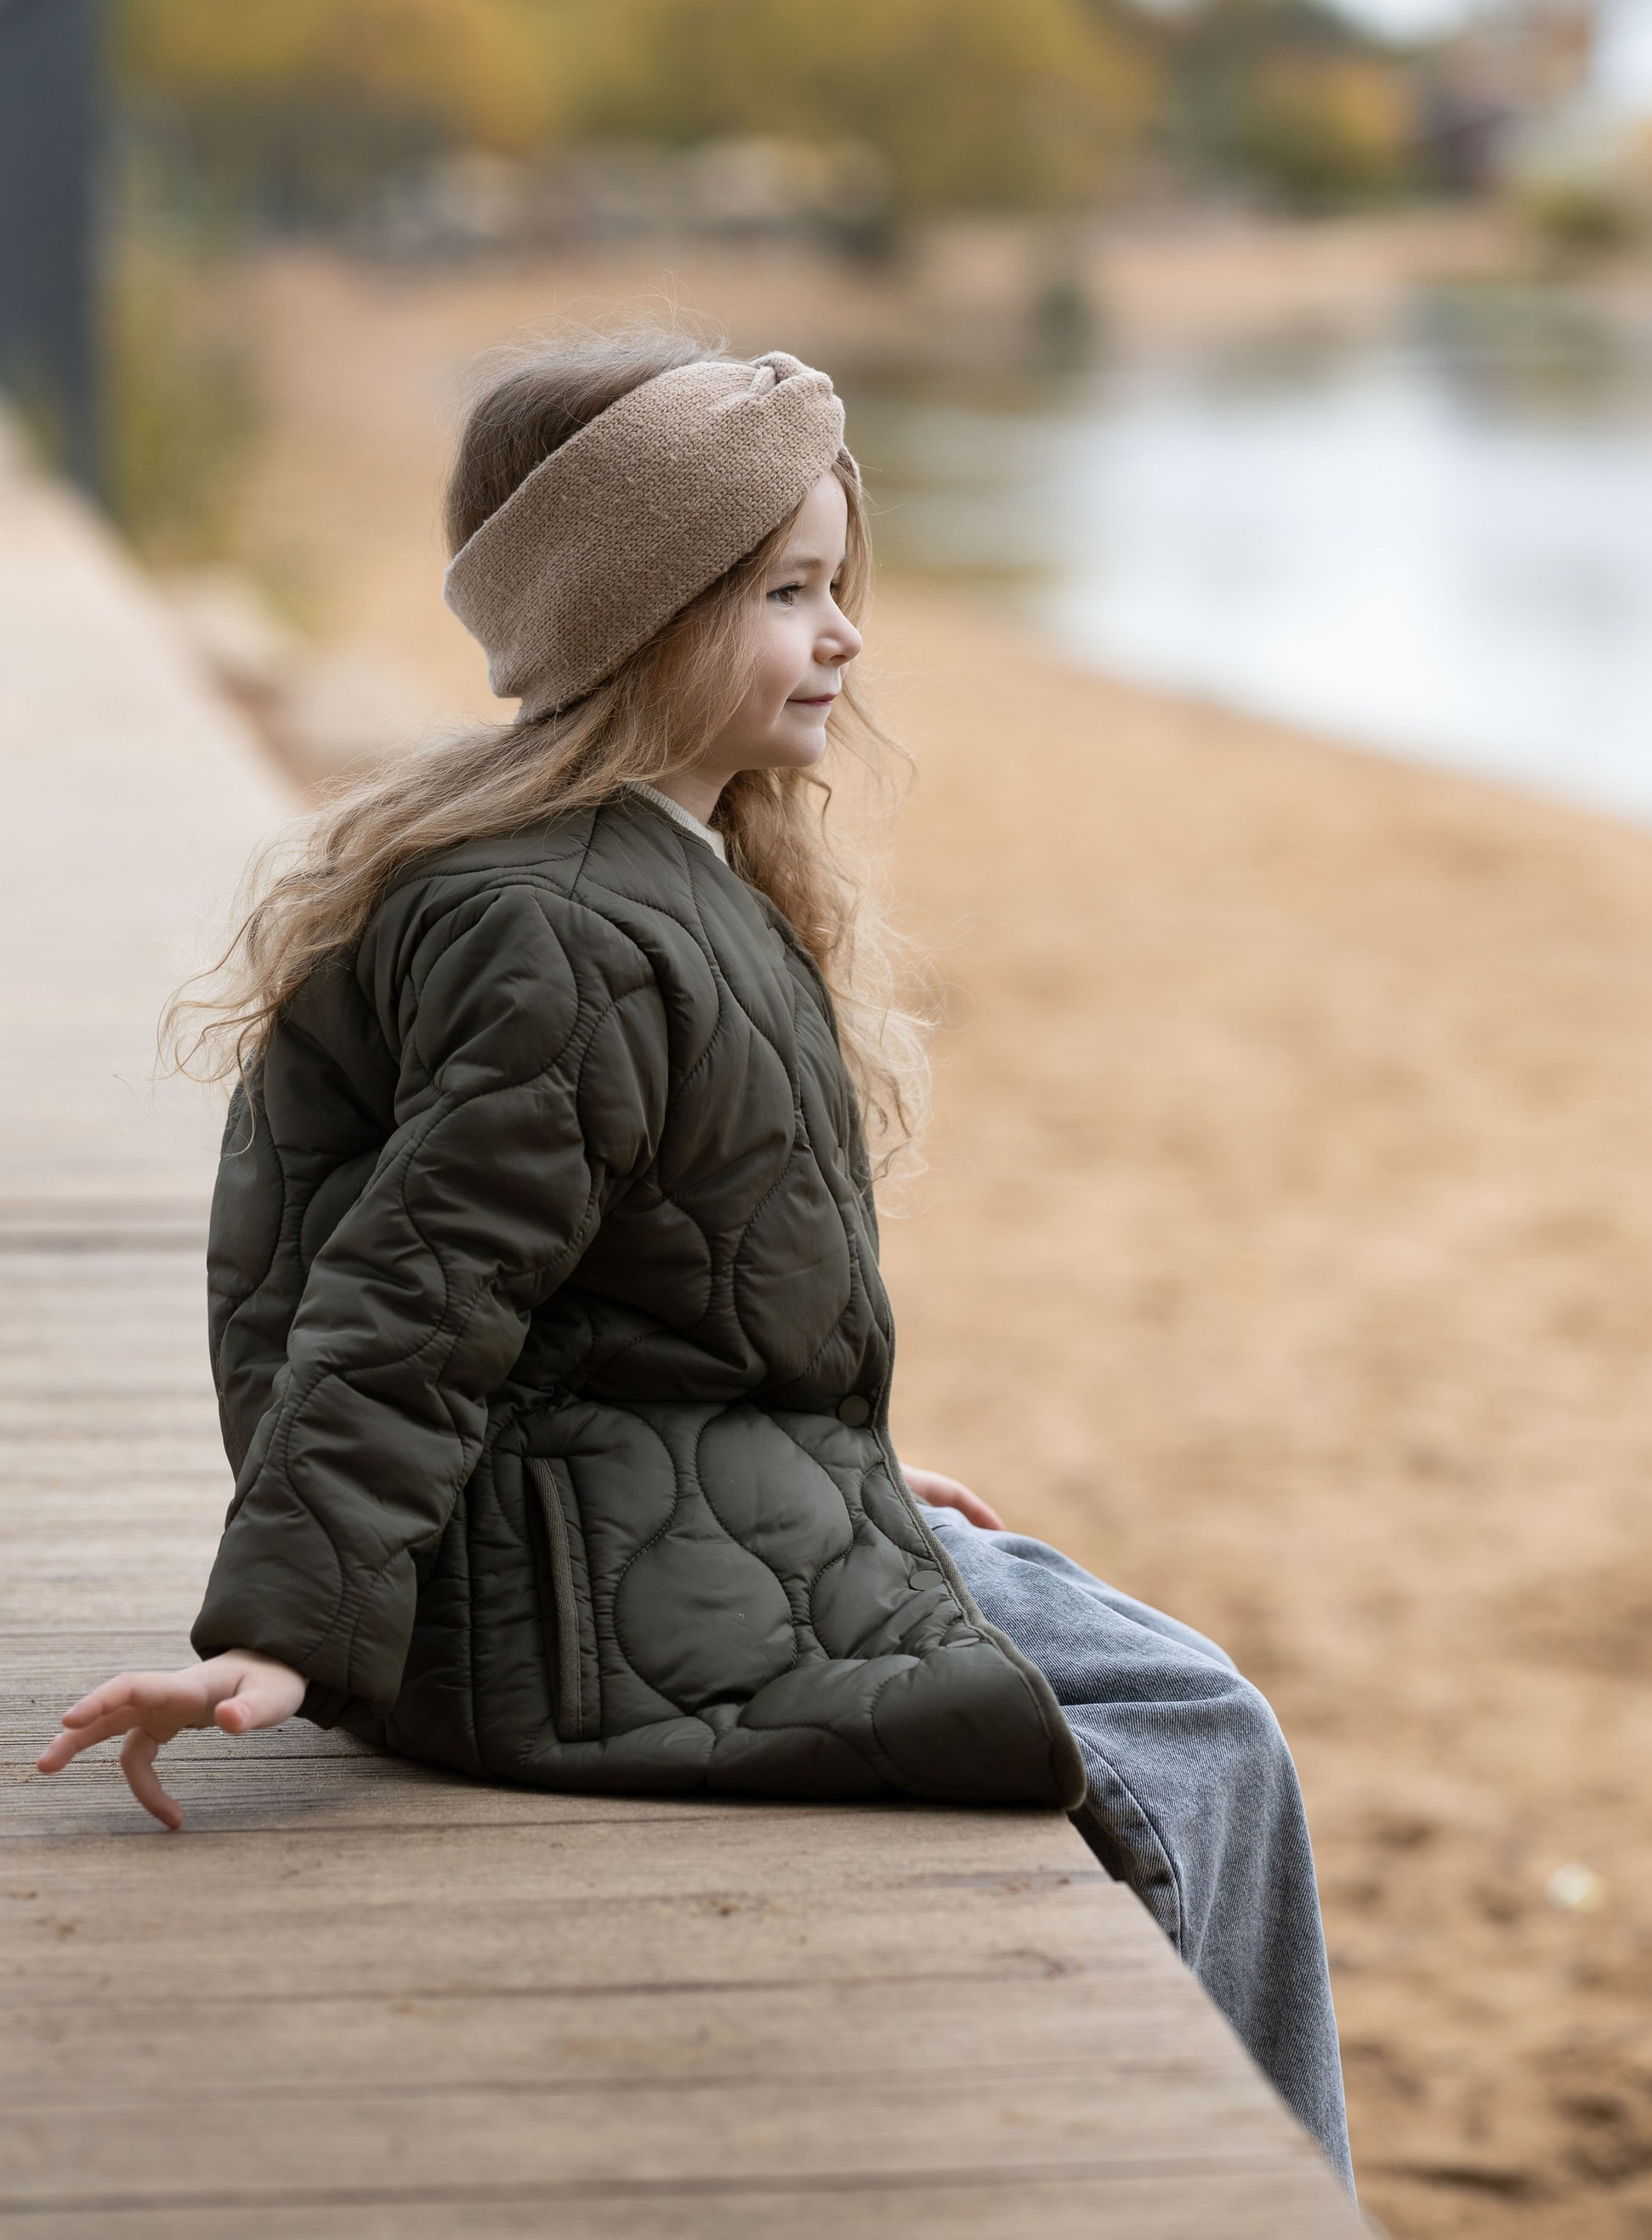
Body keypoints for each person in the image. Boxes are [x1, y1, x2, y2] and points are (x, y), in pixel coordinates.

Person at [38, 335, 1350, 2190]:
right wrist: (279, 1636)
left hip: (593, 1526)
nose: (843, 639)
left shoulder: (649, 872)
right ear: (636, 616)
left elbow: (638, 1304)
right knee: (1194, 1726)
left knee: (1101, 1634)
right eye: (789, 594)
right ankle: (1273, 2191)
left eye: (839, 591)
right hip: (532, 1606)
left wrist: (843, 1471)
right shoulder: (564, 929)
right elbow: (417, 1303)